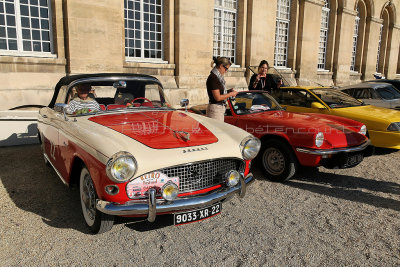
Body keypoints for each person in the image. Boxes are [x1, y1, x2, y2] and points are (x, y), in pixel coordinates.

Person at [206, 57, 238, 121]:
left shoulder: (218, 77)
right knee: (217, 130)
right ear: (221, 66)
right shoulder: (213, 77)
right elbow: (217, 97)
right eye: (226, 69)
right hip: (215, 110)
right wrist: (230, 94)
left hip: (219, 109)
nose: (226, 71)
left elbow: (220, 92)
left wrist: (229, 91)